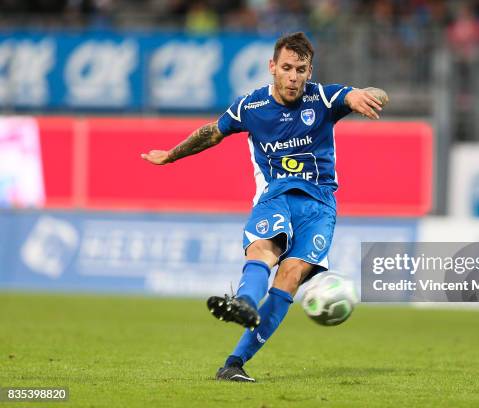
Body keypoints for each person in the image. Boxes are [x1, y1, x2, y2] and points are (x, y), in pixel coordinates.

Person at [141, 32, 388, 382]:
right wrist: (170, 155)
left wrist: (363, 94)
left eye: (301, 69)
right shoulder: (251, 107)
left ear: (309, 70)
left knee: (290, 277)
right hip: (276, 195)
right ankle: (244, 303)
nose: (293, 76)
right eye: (286, 67)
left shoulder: (323, 97)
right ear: (272, 67)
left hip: (319, 207)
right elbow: (212, 132)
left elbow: (358, 95)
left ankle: (233, 364)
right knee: (264, 249)